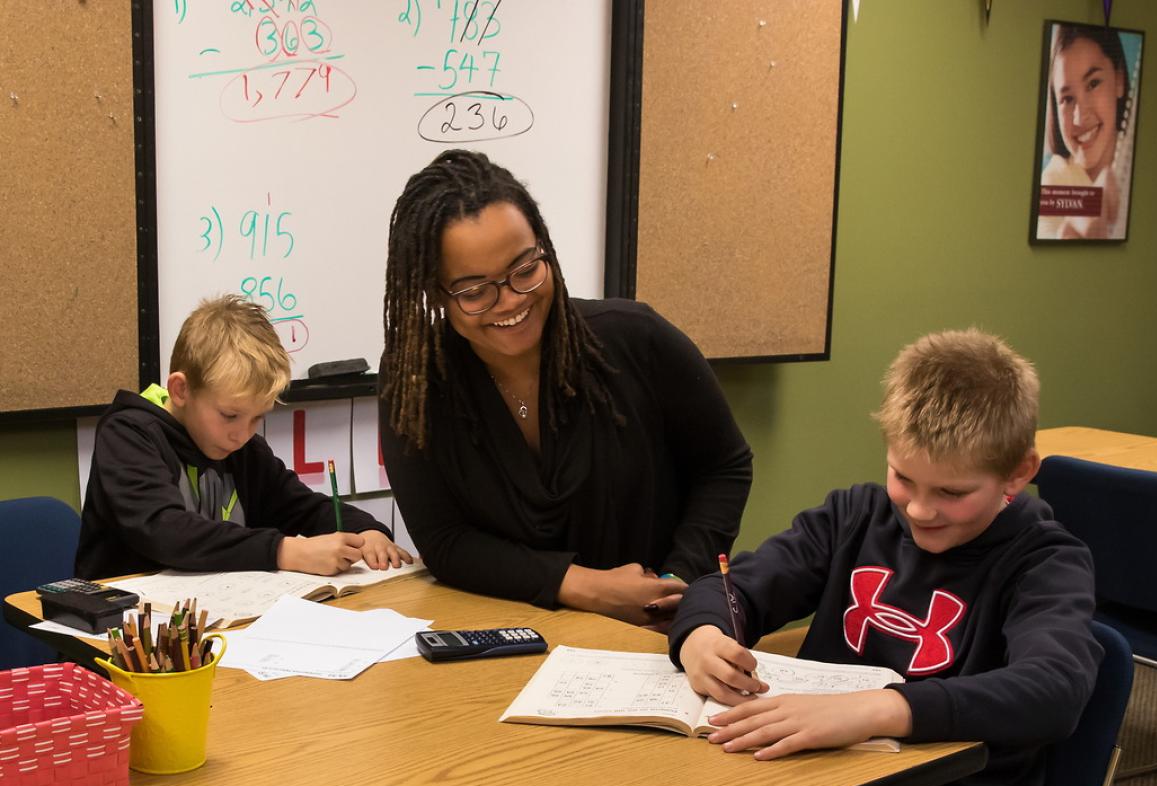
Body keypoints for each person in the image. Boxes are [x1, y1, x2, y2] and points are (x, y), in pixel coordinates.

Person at [669, 329, 1101, 786]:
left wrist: (876, 709)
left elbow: (1055, 689)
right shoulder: (855, 516)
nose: (920, 510)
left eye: (952, 493)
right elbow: (731, 586)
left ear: (1018, 473)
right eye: (903, 477)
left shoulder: (1046, 561)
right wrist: (703, 633)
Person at [379, 149, 752, 629]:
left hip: (659, 631)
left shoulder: (636, 338)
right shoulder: (414, 382)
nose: (511, 301)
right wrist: (586, 587)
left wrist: (674, 583)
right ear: (434, 293)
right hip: (512, 635)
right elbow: (446, 540)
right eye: (475, 292)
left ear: (545, 249)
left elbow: (724, 466)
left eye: (525, 269)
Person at [77, 295, 412, 579]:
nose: (242, 434)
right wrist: (283, 551)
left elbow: (301, 506)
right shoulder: (129, 435)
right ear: (181, 390)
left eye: (258, 418)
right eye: (230, 415)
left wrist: (366, 531)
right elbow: (165, 531)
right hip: (125, 634)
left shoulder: (242, 447)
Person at [1037, 24, 1132, 240]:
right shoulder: (1051, 183)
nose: (1080, 118)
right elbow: (1046, 232)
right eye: (1067, 99)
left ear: (1119, 79)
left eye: (1093, 84)